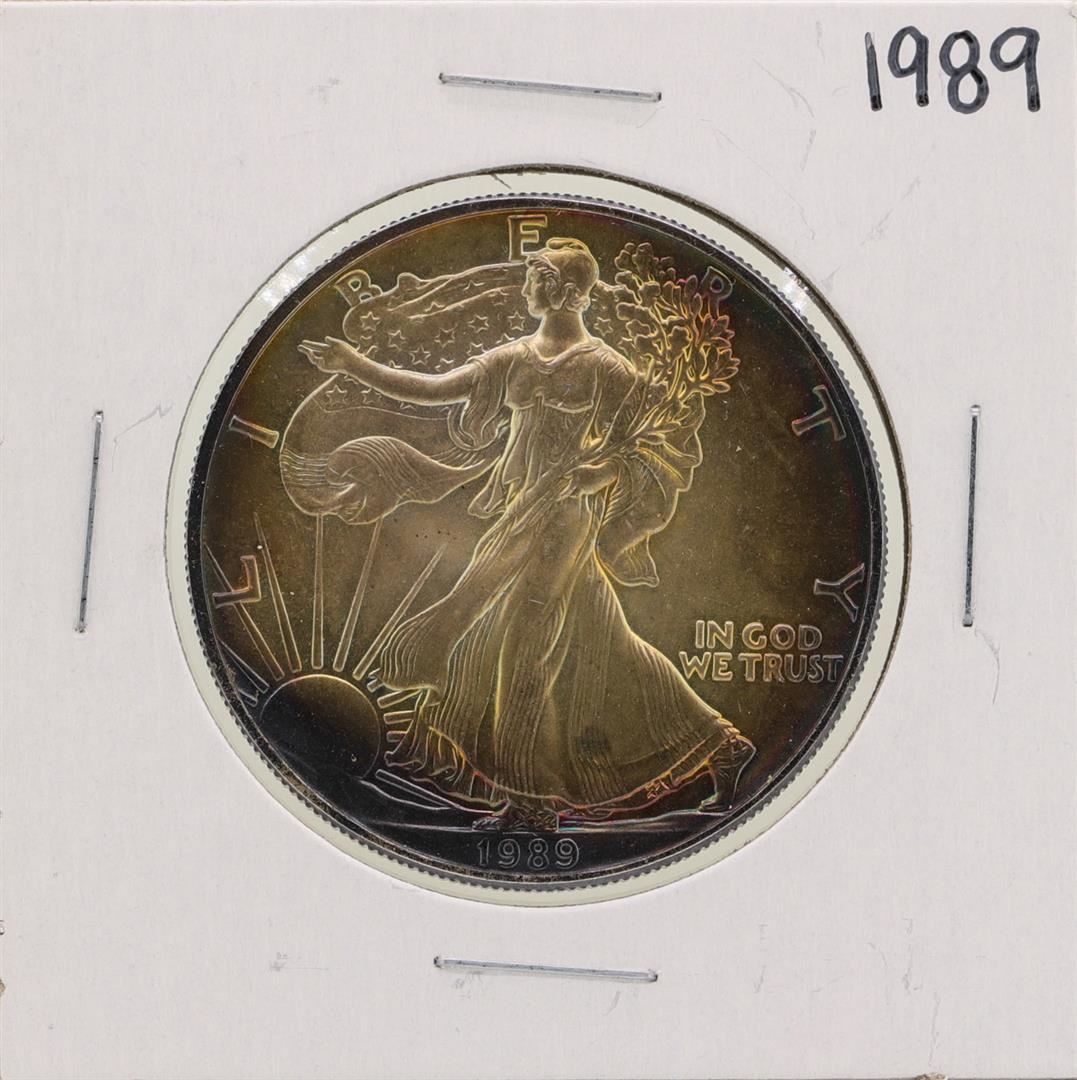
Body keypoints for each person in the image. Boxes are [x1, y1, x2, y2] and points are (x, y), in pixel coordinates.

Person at [299, 239, 754, 831]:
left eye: (535, 277)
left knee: (522, 644)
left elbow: (656, 444)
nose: (525, 288)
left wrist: (606, 471)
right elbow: (432, 388)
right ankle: (723, 745)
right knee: (605, 642)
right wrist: (354, 364)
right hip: (520, 515)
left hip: (567, 516)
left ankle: (530, 802)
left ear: (562, 290)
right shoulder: (512, 358)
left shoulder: (607, 368)